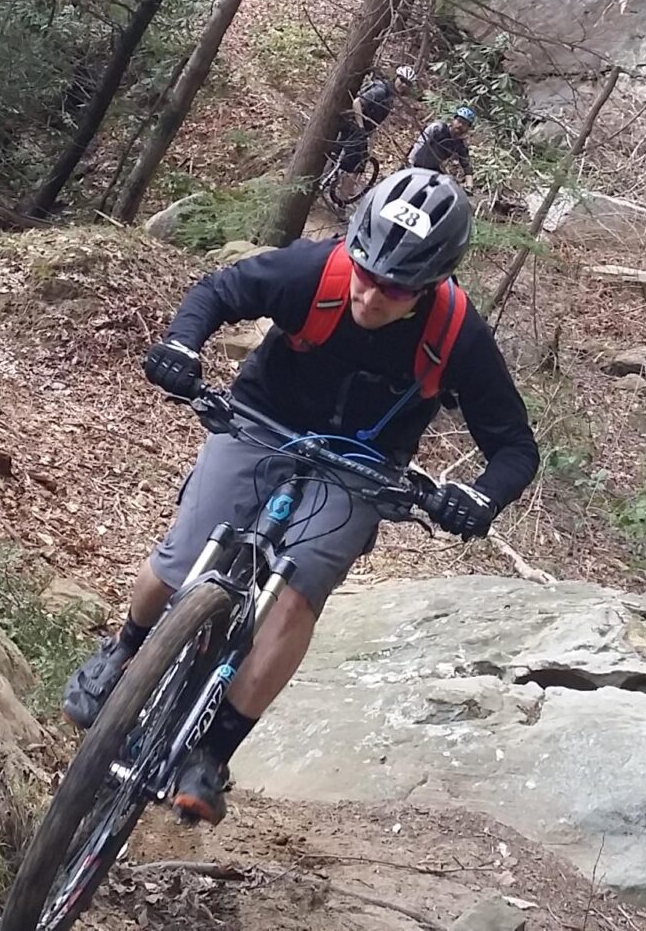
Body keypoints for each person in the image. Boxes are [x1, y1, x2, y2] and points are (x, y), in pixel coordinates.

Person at [61, 169, 538, 824]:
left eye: (394, 288)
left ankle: (214, 753)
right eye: (365, 273)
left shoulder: (459, 335)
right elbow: (219, 291)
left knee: (294, 597)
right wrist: (180, 344)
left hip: (363, 469)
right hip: (259, 423)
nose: (370, 295)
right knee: (181, 560)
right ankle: (125, 649)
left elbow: (514, 447)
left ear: (431, 284)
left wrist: (480, 500)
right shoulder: (314, 272)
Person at [408, 105, 477, 177]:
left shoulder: (460, 145)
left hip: (430, 172)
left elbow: (467, 167)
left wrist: (469, 186)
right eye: (459, 121)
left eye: (464, 124)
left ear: (468, 128)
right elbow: (420, 143)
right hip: (414, 164)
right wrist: (410, 161)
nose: (460, 125)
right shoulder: (437, 128)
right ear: (453, 120)